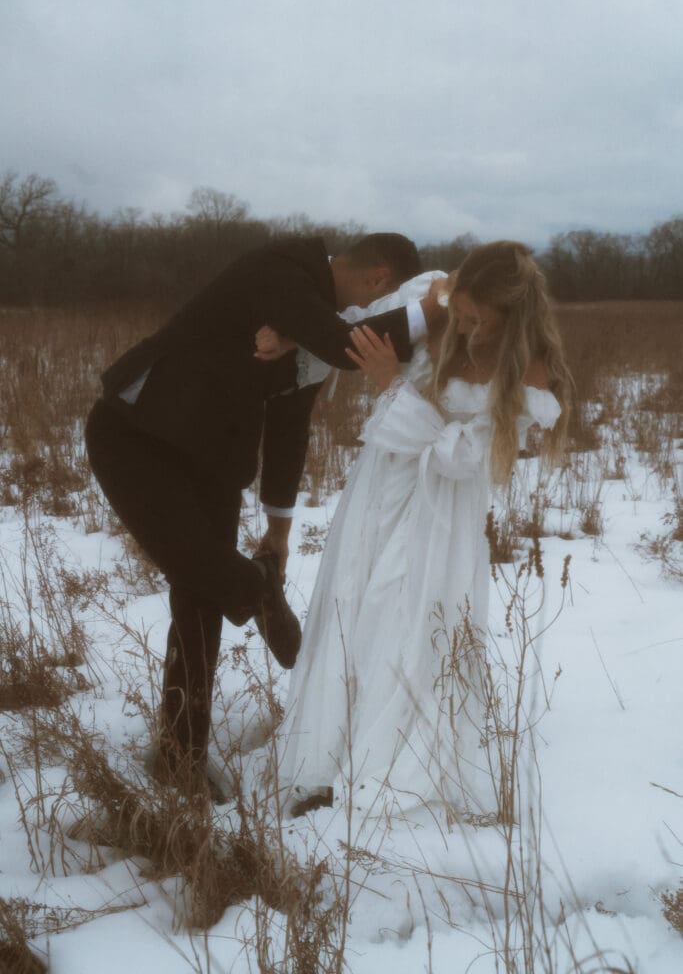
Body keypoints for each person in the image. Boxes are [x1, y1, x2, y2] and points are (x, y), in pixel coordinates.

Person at [84, 233, 443, 799]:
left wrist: (278, 527)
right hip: (136, 435)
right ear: (377, 279)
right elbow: (351, 344)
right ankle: (256, 589)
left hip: (211, 462)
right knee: (202, 569)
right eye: (386, 298)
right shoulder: (282, 268)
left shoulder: (307, 330)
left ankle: (182, 755)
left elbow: (288, 430)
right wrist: (433, 310)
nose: (378, 310)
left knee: (198, 596)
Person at [269, 240, 573, 820]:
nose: (461, 325)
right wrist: (290, 334)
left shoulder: (529, 366)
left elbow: (466, 461)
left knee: (401, 615)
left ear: (510, 314)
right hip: (378, 488)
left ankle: (381, 757)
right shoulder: (433, 300)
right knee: (352, 603)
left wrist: (392, 388)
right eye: (458, 311)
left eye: (476, 319)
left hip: (439, 512)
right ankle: (325, 758)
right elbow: (349, 328)